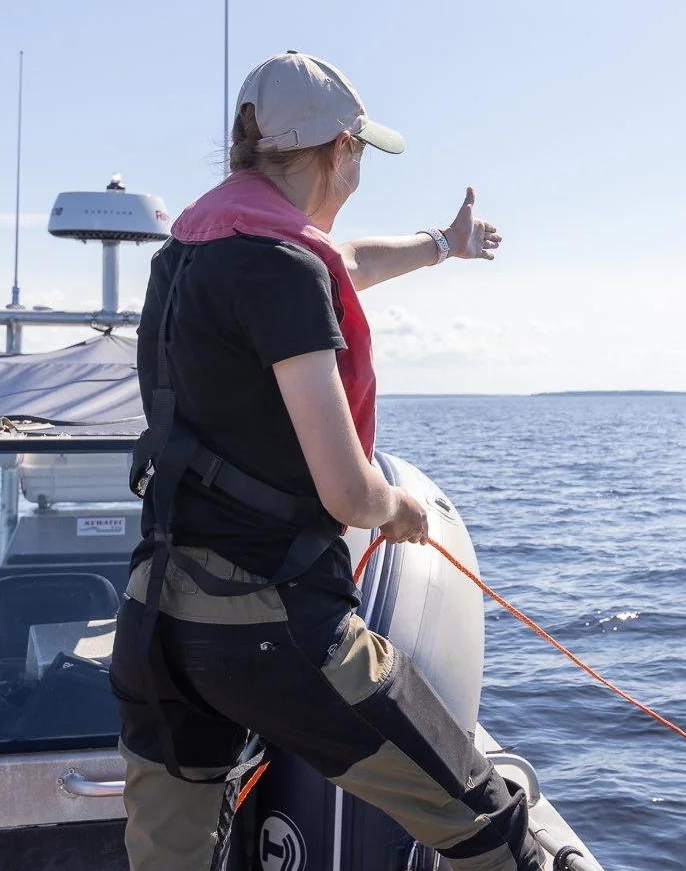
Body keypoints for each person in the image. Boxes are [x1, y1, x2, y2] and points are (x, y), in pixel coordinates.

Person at [109, 51, 541, 871]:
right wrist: (399, 508)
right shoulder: (280, 269)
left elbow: (348, 264)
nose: (357, 177)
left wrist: (442, 245)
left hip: (155, 622)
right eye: (360, 157)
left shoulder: (191, 254)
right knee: (490, 826)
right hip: (272, 632)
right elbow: (347, 493)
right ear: (340, 150)